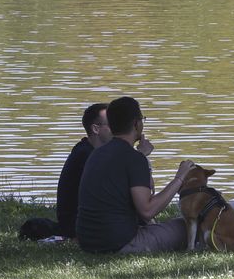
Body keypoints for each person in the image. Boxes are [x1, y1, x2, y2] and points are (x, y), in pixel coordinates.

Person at [76, 96, 196, 254]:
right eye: (142, 119)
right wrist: (179, 178)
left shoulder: (97, 154)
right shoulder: (134, 158)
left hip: (88, 242)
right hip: (120, 243)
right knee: (188, 225)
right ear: (136, 124)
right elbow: (147, 210)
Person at [21, 102, 131, 241]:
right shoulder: (86, 156)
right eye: (112, 124)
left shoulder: (91, 151)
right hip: (79, 226)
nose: (117, 128)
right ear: (96, 129)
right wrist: (140, 158)